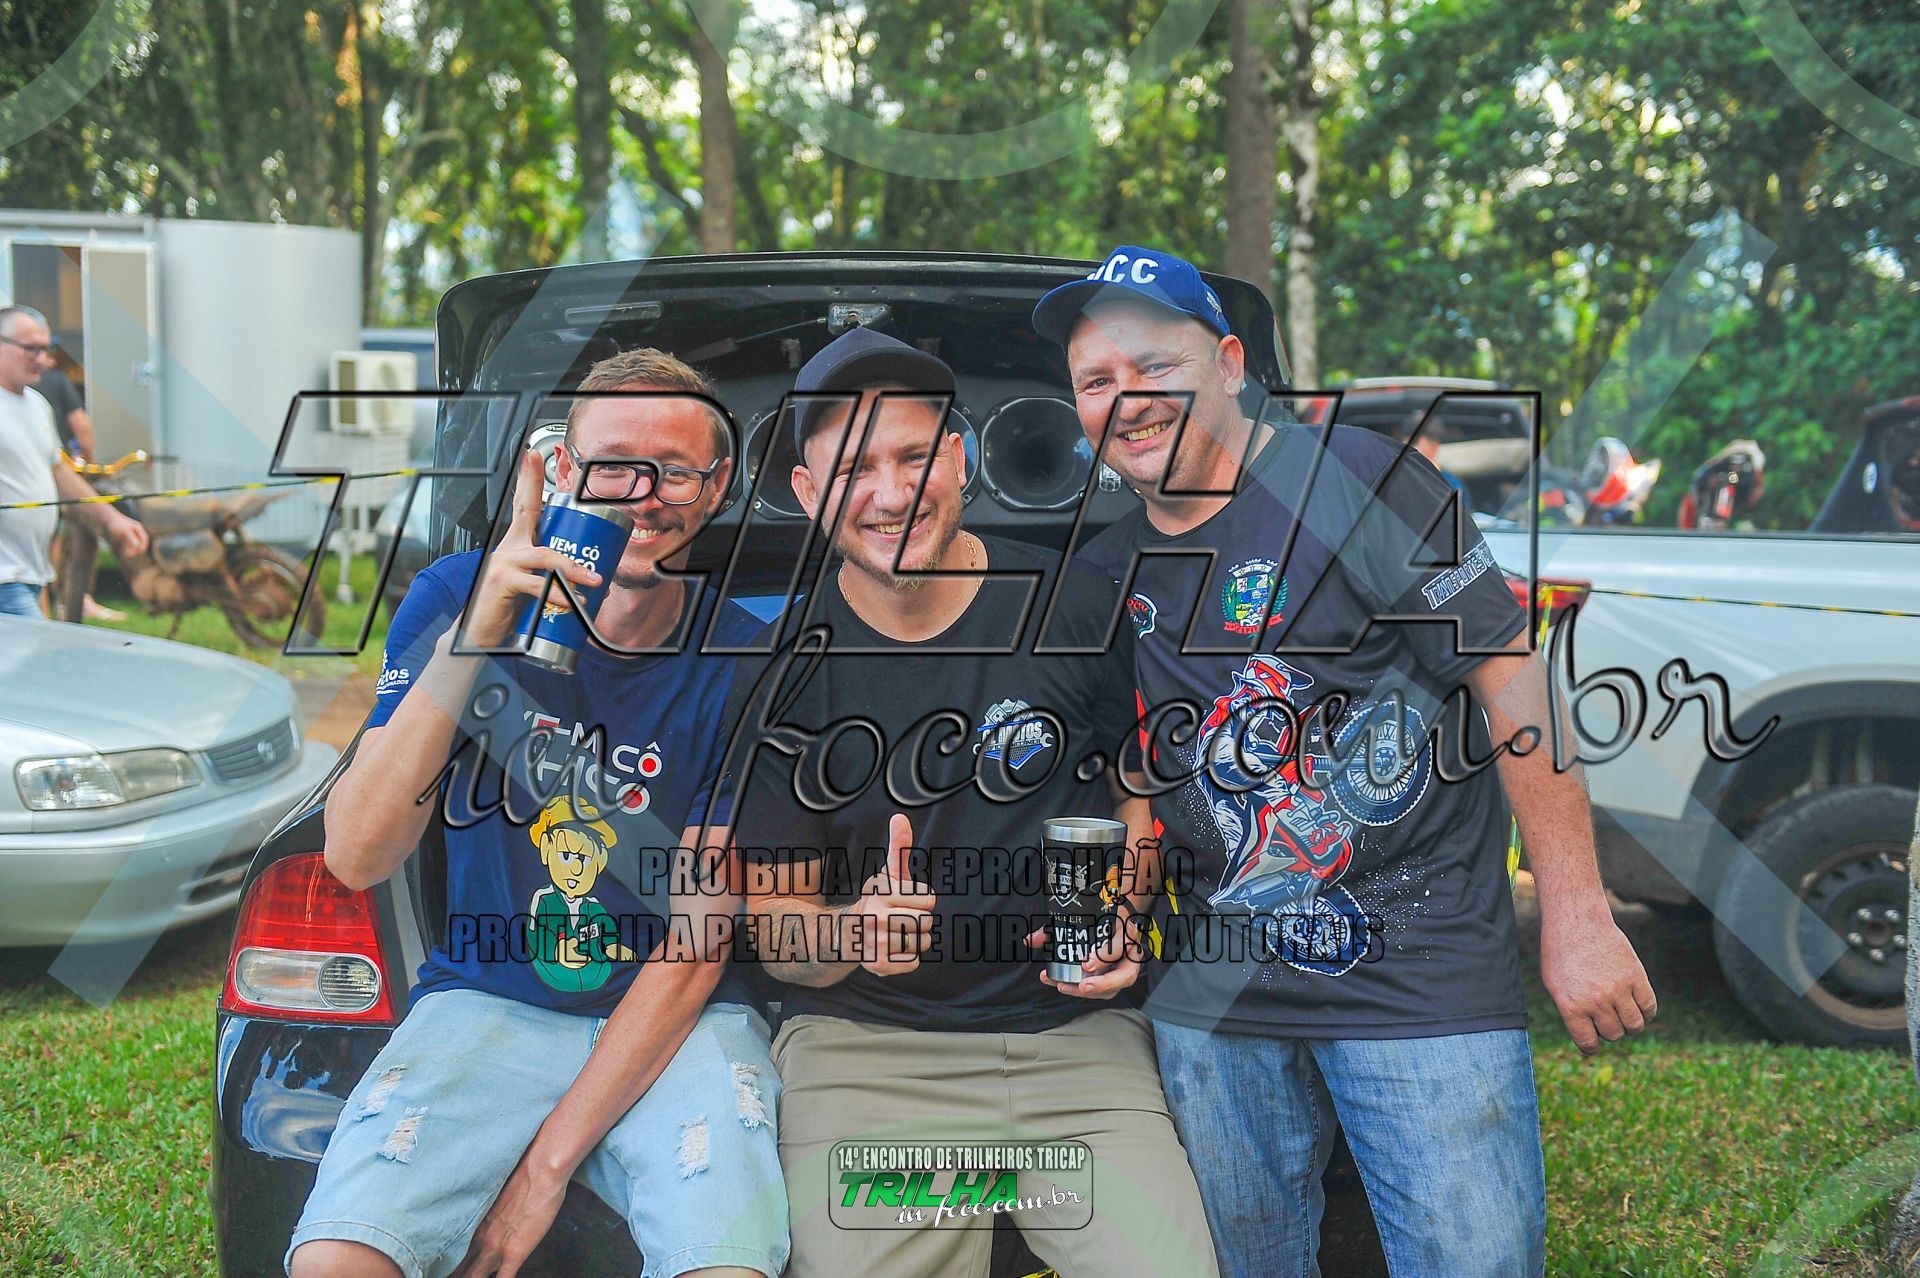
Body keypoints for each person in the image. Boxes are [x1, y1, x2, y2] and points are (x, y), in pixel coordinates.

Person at [1032, 245, 1658, 1276]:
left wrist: (1578, 913)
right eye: (1096, 381)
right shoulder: (1103, 570)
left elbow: (1513, 684)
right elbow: (1140, 778)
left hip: (1419, 974)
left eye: (1154, 366)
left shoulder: (1360, 481)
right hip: (1215, 993)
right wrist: (1120, 912)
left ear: (1230, 364)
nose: (1126, 400)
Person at [727, 327, 1218, 1277]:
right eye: (853, 470)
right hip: (871, 1059)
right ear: (806, 493)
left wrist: (1124, 914)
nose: (890, 493)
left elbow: (1137, 803)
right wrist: (850, 934)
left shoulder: (1075, 607)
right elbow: (778, 927)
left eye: (913, 456)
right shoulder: (777, 670)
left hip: (1076, 1051)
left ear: (957, 458)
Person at [288, 347, 788, 1278]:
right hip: (488, 998)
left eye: (675, 471)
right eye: (612, 465)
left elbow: (699, 942)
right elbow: (356, 855)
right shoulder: (454, 595)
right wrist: (478, 632)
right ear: (561, 467)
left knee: (726, 1264)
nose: (641, 496)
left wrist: (546, 1165)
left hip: (676, 1020)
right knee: (336, 1263)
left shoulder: (748, 657)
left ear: (717, 488)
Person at [0, 306, 145, 619]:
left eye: (46, 348)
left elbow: (59, 471)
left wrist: (112, 519)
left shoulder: (37, 405)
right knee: (36, 649)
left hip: (31, 572)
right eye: (31, 349)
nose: (42, 359)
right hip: (5, 578)